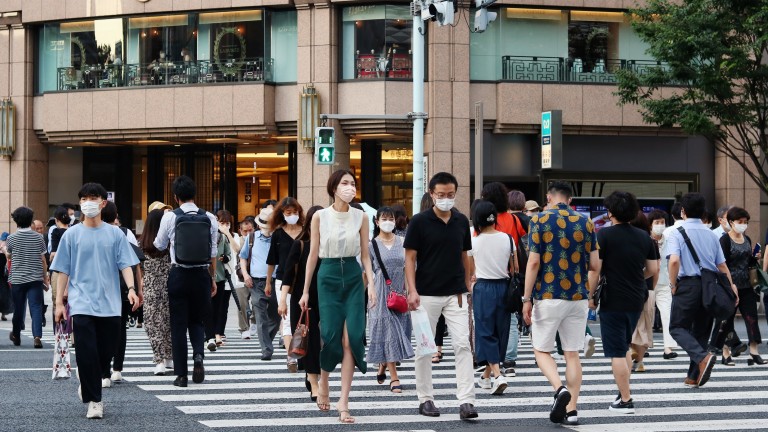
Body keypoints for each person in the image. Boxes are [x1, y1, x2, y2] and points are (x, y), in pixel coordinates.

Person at [51, 183, 140, 419]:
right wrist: (59, 304)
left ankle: (88, 376)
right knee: (86, 350)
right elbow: (62, 270)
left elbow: (126, 264)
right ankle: (95, 400)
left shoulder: (115, 234)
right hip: (81, 303)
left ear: (103, 203)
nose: (88, 202)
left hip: (111, 304)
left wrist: (131, 289)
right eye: (84, 198)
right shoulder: (71, 235)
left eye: (93, 198)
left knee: (105, 352)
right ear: (80, 203)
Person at [299, 169, 376, 424]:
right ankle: (323, 381)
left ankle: (344, 401)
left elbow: (365, 255)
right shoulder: (320, 216)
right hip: (328, 275)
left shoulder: (361, 217)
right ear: (334, 187)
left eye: (353, 183)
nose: (350, 187)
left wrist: (371, 285)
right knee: (330, 335)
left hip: (353, 277)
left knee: (351, 338)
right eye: (345, 183)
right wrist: (305, 291)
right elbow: (313, 255)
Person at [522, 181, 598, 426]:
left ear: (548, 197)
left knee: (541, 350)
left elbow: (533, 262)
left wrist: (526, 298)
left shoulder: (539, 220)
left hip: (548, 294)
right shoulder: (585, 222)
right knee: (572, 353)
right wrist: (589, 294)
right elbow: (595, 265)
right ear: (570, 199)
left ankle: (559, 389)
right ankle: (572, 410)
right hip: (577, 297)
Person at [404, 172, 478, 420]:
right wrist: (412, 290)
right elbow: (409, 258)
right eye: (441, 194)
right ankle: (425, 399)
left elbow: (465, 255)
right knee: (425, 348)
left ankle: (467, 401)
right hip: (425, 294)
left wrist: (467, 284)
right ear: (432, 194)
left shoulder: (461, 220)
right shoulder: (419, 221)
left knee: (463, 345)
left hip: (456, 294)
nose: (446, 198)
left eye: (451, 194)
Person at [588, 193, 658, 414]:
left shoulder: (604, 235)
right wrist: (635, 277)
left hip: (613, 297)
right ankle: (622, 391)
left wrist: (590, 296)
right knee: (624, 345)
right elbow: (653, 269)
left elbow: (596, 269)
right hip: (637, 296)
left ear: (610, 212)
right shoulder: (644, 237)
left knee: (617, 351)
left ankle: (626, 400)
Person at [665, 193, 738, 388]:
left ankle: (702, 357)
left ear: (683, 211)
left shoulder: (677, 233)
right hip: (709, 286)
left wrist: (673, 284)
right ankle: (693, 376)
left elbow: (674, 261)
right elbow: (722, 266)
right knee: (701, 331)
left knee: (677, 327)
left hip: (687, 285)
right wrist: (731, 287)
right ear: (704, 212)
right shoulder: (711, 234)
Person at [153, 175, 219, 387]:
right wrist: (212, 278)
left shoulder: (170, 217)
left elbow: (159, 244)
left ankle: (181, 375)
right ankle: (198, 355)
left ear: (176, 196)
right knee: (197, 320)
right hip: (201, 274)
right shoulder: (209, 217)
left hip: (179, 274)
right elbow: (213, 252)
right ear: (195, 194)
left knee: (178, 325)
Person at [469, 201, 516, 395]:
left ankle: (497, 375)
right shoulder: (508, 239)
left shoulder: (473, 242)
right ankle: (486, 376)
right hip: (504, 287)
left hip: (483, 288)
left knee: (485, 332)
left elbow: (471, 271)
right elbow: (514, 268)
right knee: (500, 331)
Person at [368, 206, 415, 394]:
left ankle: (383, 365)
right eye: (384, 218)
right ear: (377, 222)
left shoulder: (403, 242)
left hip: (399, 292)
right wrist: (367, 293)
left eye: (391, 218)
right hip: (380, 293)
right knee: (389, 331)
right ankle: (394, 377)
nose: (388, 222)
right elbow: (366, 273)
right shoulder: (372, 245)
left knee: (398, 332)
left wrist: (411, 291)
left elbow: (409, 268)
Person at [280, 205, 323, 400]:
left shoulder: (330, 246)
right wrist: (283, 300)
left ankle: (311, 373)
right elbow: (288, 275)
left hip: (326, 299)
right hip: (303, 301)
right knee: (311, 342)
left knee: (322, 343)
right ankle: (314, 383)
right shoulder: (300, 245)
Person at [101, 202, 145, 386]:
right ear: (116, 215)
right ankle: (117, 369)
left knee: (103, 329)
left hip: (102, 288)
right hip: (124, 288)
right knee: (120, 328)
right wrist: (138, 289)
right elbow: (135, 263)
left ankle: (104, 373)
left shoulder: (94, 232)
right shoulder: (126, 233)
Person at [714, 207, 764, 366]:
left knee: (751, 317)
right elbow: (722, 265)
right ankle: (725, 352)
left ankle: (754, 352)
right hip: (729, 286)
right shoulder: (724, 240)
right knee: (727, 320)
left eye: (745, 222)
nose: (743, 224)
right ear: (731, 222)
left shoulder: (747, 239)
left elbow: (748, 263)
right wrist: (730, 285)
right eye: (739, 221)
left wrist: (755, 257)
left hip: (747, 285)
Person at [267, 197, 305, 372]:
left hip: (303, 280)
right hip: (282, 280)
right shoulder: (277, 234)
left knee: (303, 317)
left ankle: (303, 351)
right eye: (288, 212)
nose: (292, 215)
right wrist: (268, 282)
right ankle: (291, 356)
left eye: (295, 212)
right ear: (282, 213)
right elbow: (272, 261)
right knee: (287, 318)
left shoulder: (305, 232)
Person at [5, 207, 49, 348]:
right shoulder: (38, 237)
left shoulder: (11, 238)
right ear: (31, 220)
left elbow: (9, 256)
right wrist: (45, 278)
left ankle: (16, 335)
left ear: (16, 221)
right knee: (36, 307)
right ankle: (37, 337)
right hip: (35, 278)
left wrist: (6, 253)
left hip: (18, 279)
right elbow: (43, 260)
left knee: (18, 308)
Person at [241, 208, 280, 361]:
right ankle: (266, 349)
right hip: (256, 282)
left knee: (276, 316)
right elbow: (243, 257)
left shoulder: (279, 237)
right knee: (260, 316)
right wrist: (245, 275)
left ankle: (266, 341)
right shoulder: (252, 237)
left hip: (276, 282)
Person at [140, 208, 174, 376]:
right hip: (169, 286)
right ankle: (169, 357)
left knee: (153, 324)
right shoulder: (169, 244)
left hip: (150, 288)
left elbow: (138, 270)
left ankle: (159, 360)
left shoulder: (141, 245)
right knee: (169, 322)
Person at [628, 211, 660, 373]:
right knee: (643, 326)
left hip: (628, 287)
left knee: (631, 323)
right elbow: (656, 269)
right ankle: (639, 361)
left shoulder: (627, 241)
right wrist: (651, 287)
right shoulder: (651, 242)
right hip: (647, 288)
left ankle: (631, 350)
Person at [650, 208, 679, 360]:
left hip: (664, 283)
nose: (660, 225)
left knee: (667, 314)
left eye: (662, 222)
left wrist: (672, 282)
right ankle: (643, 346)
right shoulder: (645, 239)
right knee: (647, 315)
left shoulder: (669, 239)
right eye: (657, 222)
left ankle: (668, 348)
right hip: (648, 282)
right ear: (650, 224)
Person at [205, 210, 233, 352]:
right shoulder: (203, 236)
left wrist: (226, 258)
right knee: (206, 307)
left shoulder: (222, 237)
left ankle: (216, 334)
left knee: (218, 307)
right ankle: (208, 335)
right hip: (204, 276)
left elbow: (229, 254)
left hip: (220, 276)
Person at [236, 218, 256, 339]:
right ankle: (244, 328)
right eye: (245, 231)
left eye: (250, 230)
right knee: (241, 303)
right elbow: (237, 250)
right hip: (240, 277)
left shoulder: (257, 239)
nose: (248, 233)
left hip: (256, 275)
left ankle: (254, 321)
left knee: (257, 301)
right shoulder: (238, 240)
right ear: (240, 230)